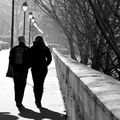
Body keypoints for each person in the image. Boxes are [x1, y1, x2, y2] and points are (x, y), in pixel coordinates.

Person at [30, 35, 52, 108]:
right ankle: (39, 100)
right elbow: (49, 58)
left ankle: (37, 100)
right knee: (41, 84)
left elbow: (28, 58)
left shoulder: (32, 48)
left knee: (36, 84)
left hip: (35, 68)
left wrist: (31, 64)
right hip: (43, 69)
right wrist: (45, 64)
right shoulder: (45, 48)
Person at [9, 36, 30, 109]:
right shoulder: (27, 49)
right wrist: (27, 67)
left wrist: (14, 66)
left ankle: (17, 100)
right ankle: (20, 101)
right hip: (24, 71)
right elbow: (31, 60)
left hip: (16, 70)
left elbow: (11, 59)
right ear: (24, 40)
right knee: (22, 86)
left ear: (18, 40)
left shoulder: (13, 49)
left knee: (16, 85)